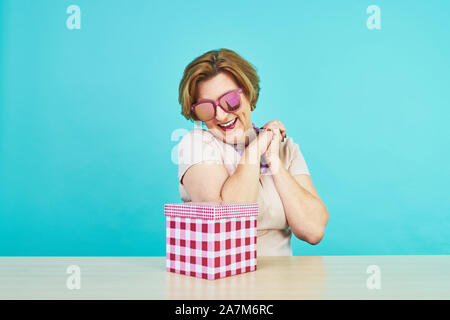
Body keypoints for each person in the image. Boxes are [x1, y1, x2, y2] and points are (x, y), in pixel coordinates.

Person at [177, 48, 329, 256]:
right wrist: (254, 150)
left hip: (284, 283)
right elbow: (227, 225)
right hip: (222, 283)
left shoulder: (284, 148)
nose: (221, 115)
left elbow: (313, 230)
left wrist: (274, 160)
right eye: (206, 108)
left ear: (248, 94)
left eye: (230, 101)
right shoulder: (196, 144)